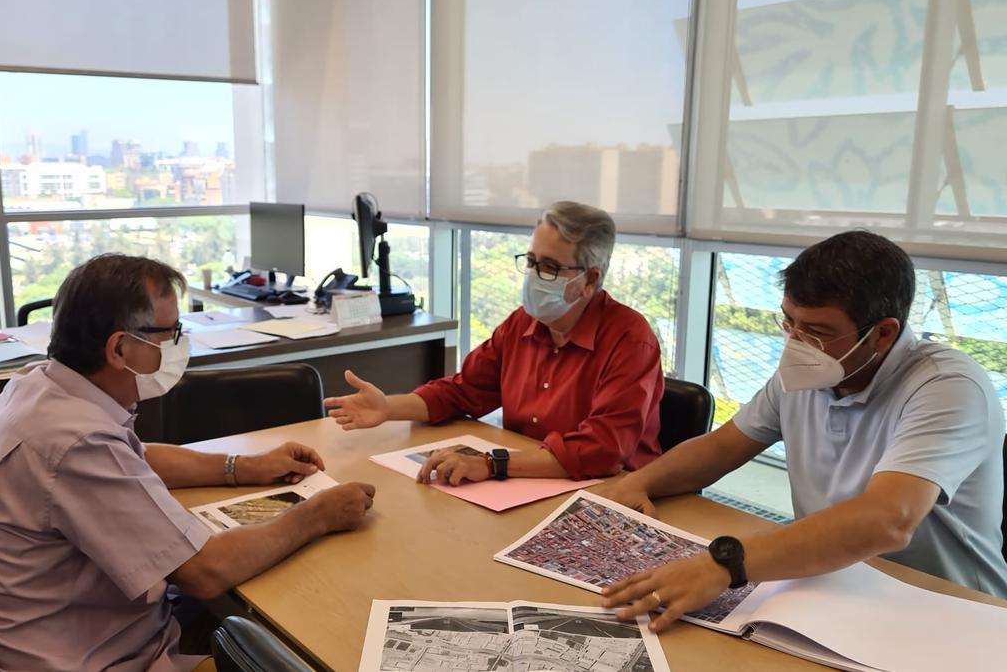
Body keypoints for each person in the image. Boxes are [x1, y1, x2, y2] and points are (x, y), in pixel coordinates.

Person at [0, 254, 376, 671]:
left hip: (68, 629)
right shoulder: (76, 442)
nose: (178, 345)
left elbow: (136, 455)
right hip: (91, 655)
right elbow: (206, 571)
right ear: (120, 347)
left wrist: (244, 467)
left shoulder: (43, 386)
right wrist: (317, 514)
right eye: (170, 334)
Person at [602, 230, 1007, 632]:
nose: (796, 343)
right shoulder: (805, 376)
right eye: (789, 322)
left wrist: (725, 563)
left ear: (882, 333)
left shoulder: (948, 386)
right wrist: (641, 481)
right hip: (831, 582)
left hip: (944, 608)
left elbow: (889, 518)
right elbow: (721, 448)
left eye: (817, 331)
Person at [325, 201, 664, 484]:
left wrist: (492, 465)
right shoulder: (523, 323)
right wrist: (389, 408)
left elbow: (601, 450)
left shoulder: (630, 340)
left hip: (612, 493)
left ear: (589, 279)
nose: (533, 276)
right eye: (531, 262)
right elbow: (463, 390)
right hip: (529, 483)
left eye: (549, 267)